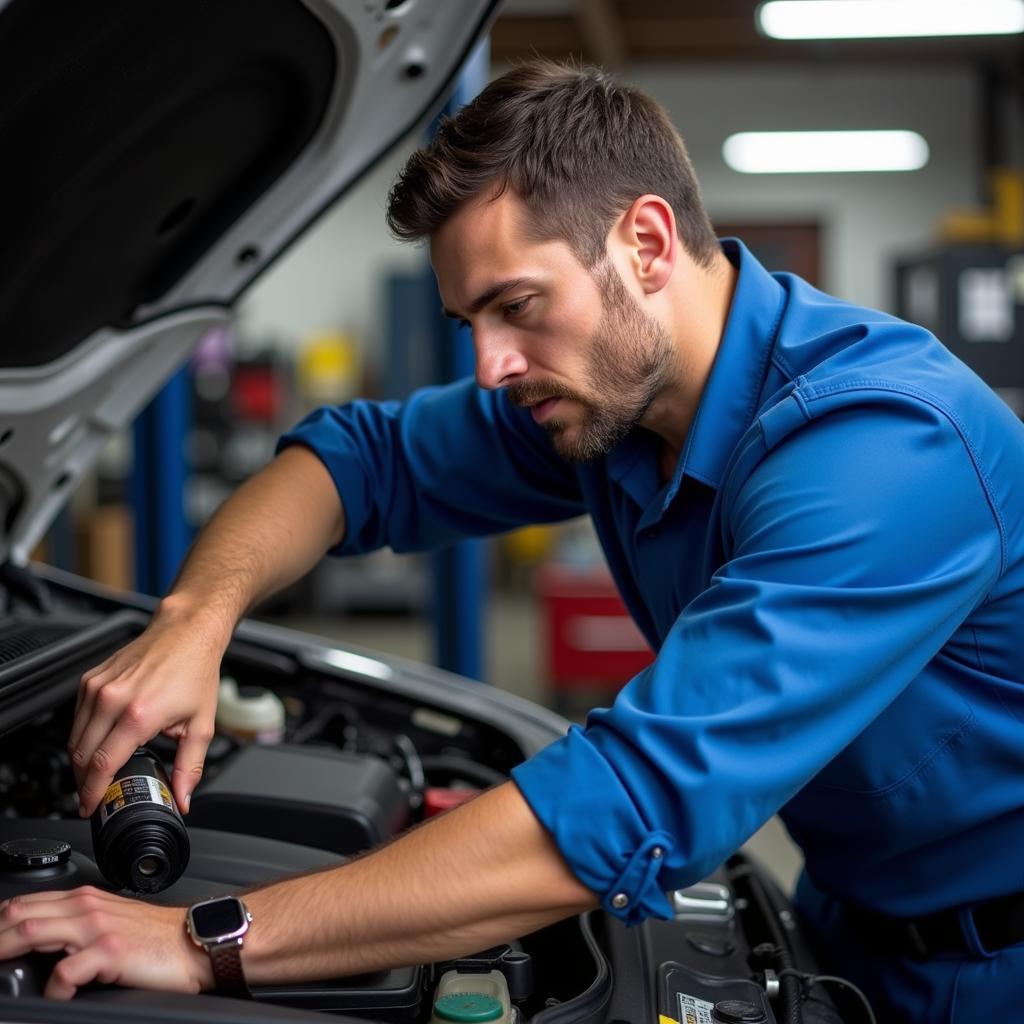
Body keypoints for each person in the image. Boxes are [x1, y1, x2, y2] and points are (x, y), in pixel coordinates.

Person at [1, 59, 1022, 1021]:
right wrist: (194, 618)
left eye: (516, 307)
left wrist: (203, 939)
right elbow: (358, 462)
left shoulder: (881, 451)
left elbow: (631, 799)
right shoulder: (613, 402)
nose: (493, 366)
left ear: (648, 244)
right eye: (469, 323)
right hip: (849, 919)